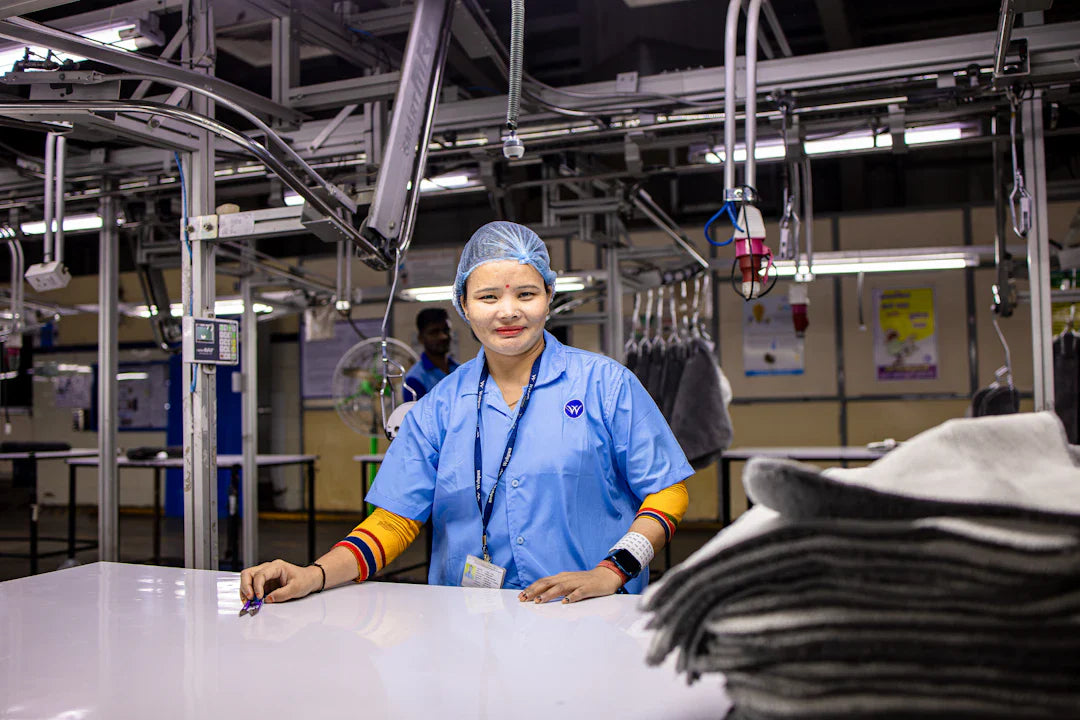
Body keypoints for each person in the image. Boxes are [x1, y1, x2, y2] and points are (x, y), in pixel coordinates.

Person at [241, 221, 692, 605]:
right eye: (488, 296)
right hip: (468, 624)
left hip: (590, 615)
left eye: (527, 294)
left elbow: (667, 493)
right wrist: (314, 575)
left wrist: (612, 571)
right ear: (464, 305)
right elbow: (394, 521)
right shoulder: (437, 407)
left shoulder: (605, 385)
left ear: (549, 297)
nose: (508, 312)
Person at [402, 307, 460, 402]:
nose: (443, 336)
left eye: (446, 330)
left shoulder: (460, 370)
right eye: (434, 332)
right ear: (421, 338)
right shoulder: (415, 380)